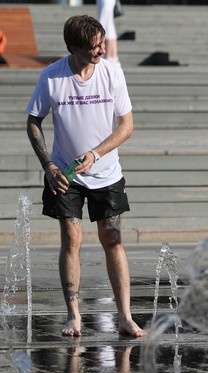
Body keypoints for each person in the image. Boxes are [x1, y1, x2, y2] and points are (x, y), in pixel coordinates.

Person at [26, 15, 144, 338]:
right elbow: (33, 122)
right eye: (94, 47)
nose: (101, 51)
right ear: (73, 48)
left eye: (102, 43)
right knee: (72, 239)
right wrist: (48, 165)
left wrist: (96, 153)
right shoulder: (52, 78)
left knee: (113, 239)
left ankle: (125, 317)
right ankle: (74, 316)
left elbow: (126, 126)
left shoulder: (112, 74)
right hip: (66, 174)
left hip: (106, 172)